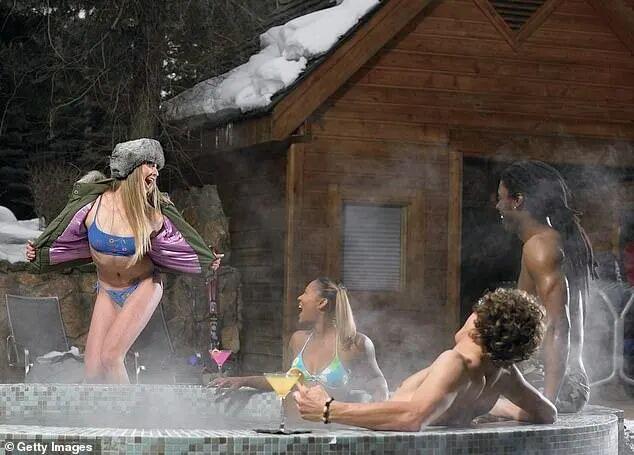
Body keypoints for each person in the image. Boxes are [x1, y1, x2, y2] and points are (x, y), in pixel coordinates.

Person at [26, 138, 221, 384]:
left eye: (157, 166)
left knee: (111, 357)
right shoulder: (93, 206)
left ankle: (129, 409)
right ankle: (98, 409)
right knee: (93, 370)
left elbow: (180, 244)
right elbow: (63, 234)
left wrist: (205, 260)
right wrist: (40, 252)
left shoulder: (153, 213)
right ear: (131, 168)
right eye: (150, 164)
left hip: (143, 286)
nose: (155, 172)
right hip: (107, 290)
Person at [294, 288, 556, 431]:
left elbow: (412, 418)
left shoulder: (456, 362)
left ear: (480, 323)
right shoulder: (503, 373)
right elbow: (547, 413)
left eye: (476, 311)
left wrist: (328, 409)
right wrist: (498, 409)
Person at [494, 160, 596, 413]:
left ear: (517, 201)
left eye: (501, 198)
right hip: (556, 379)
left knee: (454, 395)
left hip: (554, 383)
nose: (498, 206)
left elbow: (558, 325)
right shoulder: (549, 241)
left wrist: (546, 404)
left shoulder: (541, 247)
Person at [213, 277, 389, 401]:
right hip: (293, 431)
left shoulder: (354, 343)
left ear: (322, 303)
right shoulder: (298, 340)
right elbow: (286, 380)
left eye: (306, 292)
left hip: (331, 432)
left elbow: (376, 381)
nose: (299, 297)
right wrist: (243, 380)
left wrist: (379, 413)